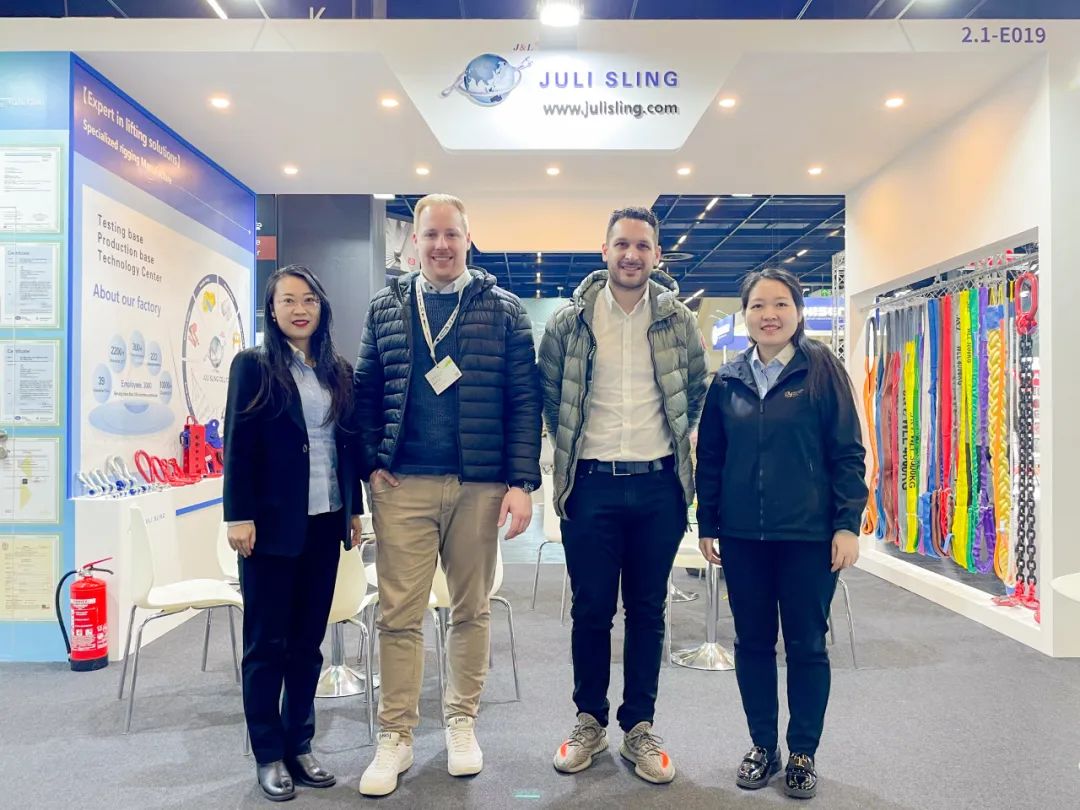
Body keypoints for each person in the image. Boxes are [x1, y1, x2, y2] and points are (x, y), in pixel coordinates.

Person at [354, 193, 541, 797]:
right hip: (402, 485)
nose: (440, 246)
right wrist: (369, 463)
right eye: (430, 235)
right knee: (398, 615)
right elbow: (365, 390)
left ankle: (461, 721)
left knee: (471, 609)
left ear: (467, 239)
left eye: (451, 235)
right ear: (415, 242)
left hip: (478, 485)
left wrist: (521, 482)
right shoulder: (386, 306)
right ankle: (396, 734)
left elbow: (524, 399)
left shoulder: (504, 309)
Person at [538, 206, 707, 785]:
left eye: (642, 246)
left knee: (648, 610)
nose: (631, 255)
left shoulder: (678, 321)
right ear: (604, 251)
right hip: (590, 486)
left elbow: (697, 391)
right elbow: (549, 395)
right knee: (590, 609)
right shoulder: (570, 322)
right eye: (622, 245)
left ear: (657, 255)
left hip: (659, 486)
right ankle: (589, 720)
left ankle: (639, 725)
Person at [695, 267, 868, 800]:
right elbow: (712, 458)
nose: (769, 315)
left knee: (807, 645)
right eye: (758, 306)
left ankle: (802, 753)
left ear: (798, 312)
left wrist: (847, 524)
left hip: (808, 537)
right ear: (744, 315)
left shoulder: (822, 370)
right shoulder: (728, 380)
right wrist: (708, 523)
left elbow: (847, 453)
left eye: (780, 304)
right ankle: (762, 745)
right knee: (751, 644)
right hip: (743, 537)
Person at [223, 265, 364, 802]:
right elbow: (238, 443)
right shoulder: (253, 366)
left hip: (326, 522)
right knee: (266, 645)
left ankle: (300, 744)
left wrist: (353, 509)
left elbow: (344, 444)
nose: (299, 309)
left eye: (308, 300)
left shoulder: (337, 370)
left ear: (322, 307)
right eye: (288, 300)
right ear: (272, 309)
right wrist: (238, 514)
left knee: (308, 644)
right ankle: (268, 753)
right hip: (269, 527)